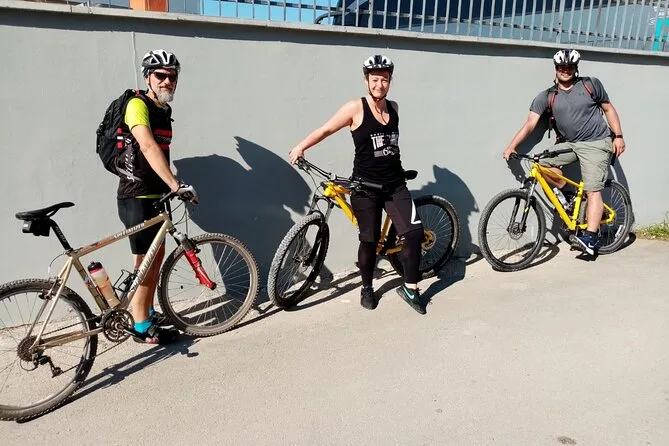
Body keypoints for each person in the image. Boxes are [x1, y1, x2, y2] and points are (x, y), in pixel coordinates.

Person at [288, 54, 426, 314]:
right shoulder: (355, 108)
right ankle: (367, 287)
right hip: (365, 188)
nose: (379, 85)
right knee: (369, 240)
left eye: (384, 80)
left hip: (395, 185)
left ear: (390, 81)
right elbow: (326, 130)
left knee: (414, 234)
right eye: (375, 80)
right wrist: (301, 147)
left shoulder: (394, 108)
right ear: (366, 81)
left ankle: (410, 288)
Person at [503, 49, 626, 255]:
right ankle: (569, 197)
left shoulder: (590, 85)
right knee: (541, 164)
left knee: (592, 190)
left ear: (575, 68)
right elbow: (530, 124)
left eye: (569, 67)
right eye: (561, 67)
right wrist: (511, 146)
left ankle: (590, 238)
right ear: (556, 69)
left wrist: (619, 136)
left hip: (596, 143)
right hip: (570, 144)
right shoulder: (547, 96)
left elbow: (608, 109)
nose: (565, 70)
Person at [116, 49, 198, 343]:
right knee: (144, 263)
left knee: (156, 258)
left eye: (172, 76)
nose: (167, 81)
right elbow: (148, 147)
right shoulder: (137, 105)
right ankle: (140, 327)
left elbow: (160, 154)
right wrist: (176, 184)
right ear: (148, 77)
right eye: (160, 75)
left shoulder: (162, 110)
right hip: (136, 195)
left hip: (157, 195)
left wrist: (171, 186)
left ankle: (147, 312)